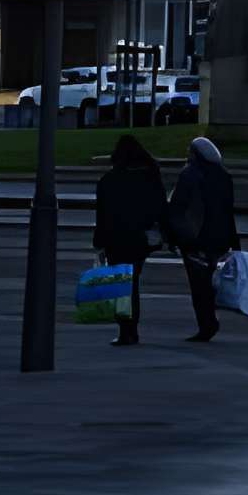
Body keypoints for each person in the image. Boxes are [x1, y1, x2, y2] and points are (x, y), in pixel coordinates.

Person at [92, 133, 167, 347]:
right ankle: (131, 329)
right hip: (140, 238)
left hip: (116, 238)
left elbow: (103, 214)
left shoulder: (109, 180)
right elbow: (160, 208)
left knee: (122, 285)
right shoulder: (150, 178)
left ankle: (126, 329)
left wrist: (99, 240)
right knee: (133, 281)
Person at [168, 134, 239, 342]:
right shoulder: (224, 176)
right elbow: (228, 210)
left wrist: (173, 237)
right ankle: (210, 320)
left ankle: (206, 323)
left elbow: (178, 209)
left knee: (198, 285)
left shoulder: (189, 175)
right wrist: (234, 241)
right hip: (219, 237)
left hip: (195, 238)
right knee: (212, 281)